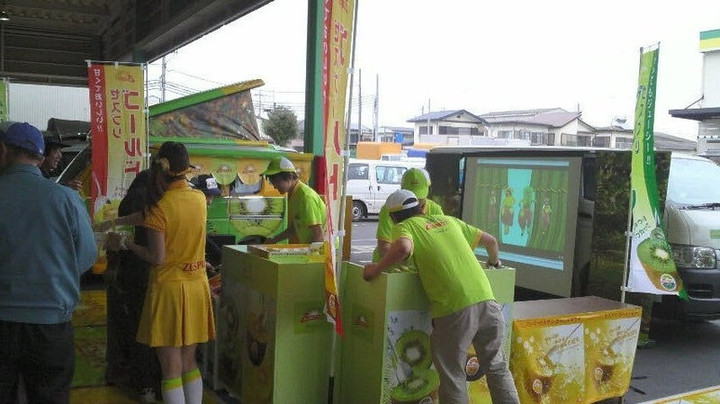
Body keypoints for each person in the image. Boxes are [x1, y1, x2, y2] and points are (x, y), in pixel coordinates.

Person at [363, 189, 520, 404]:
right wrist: (494, 263)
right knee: (497, 368)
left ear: (392, 217)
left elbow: (403, 247)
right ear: (420, 206)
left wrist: (376, 268)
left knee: (453, 376)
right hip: (487, 302)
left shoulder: (405, 226)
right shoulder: (449, 220)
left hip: (454, 309)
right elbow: (491, 241)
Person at [99, 141, 215, 404]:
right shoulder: (198, 199)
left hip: (170, 290)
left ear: (160, 169)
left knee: (170, 365)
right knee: (188, 360)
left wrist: (127, 243)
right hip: (197, 286)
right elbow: (149, 216)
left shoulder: (160, 208)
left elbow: (157, 257)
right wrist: (116, 220)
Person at [0, 122, 97, 404]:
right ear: (41, 158)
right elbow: (87, 255)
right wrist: (55, 274)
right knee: (50, 395)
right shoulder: (65, 198)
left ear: (4, 150)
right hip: (51, 324)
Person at [104, 169, 162, 403]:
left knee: (130, 328)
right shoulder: (155, 200)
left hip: (129, 273)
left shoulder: (132, 200)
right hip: (151, 273)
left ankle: (135, 380)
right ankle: (151, 384)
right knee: (149, 332)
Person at [373, 167, 443, 261]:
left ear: (428, 189)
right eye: (411, 198)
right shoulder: (390, 208)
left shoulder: (435, 210)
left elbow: (440, 243)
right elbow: (384, 246)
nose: (416, 202)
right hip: (390, 262)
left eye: (419, 197)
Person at [263, 156, 326, 244]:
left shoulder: (305, 197)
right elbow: (296, 227)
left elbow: (318, 234)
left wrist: (309, 254)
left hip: (325, 249)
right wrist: (274, 240)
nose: (274, 186)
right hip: (312, 246)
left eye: (276, 182)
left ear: (289, 177)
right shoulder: (294, 195)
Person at [190, 173, 223, 267]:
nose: (209, 202)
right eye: (207, 196)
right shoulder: (187, 213)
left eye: (212, 197)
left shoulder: (200, 211)